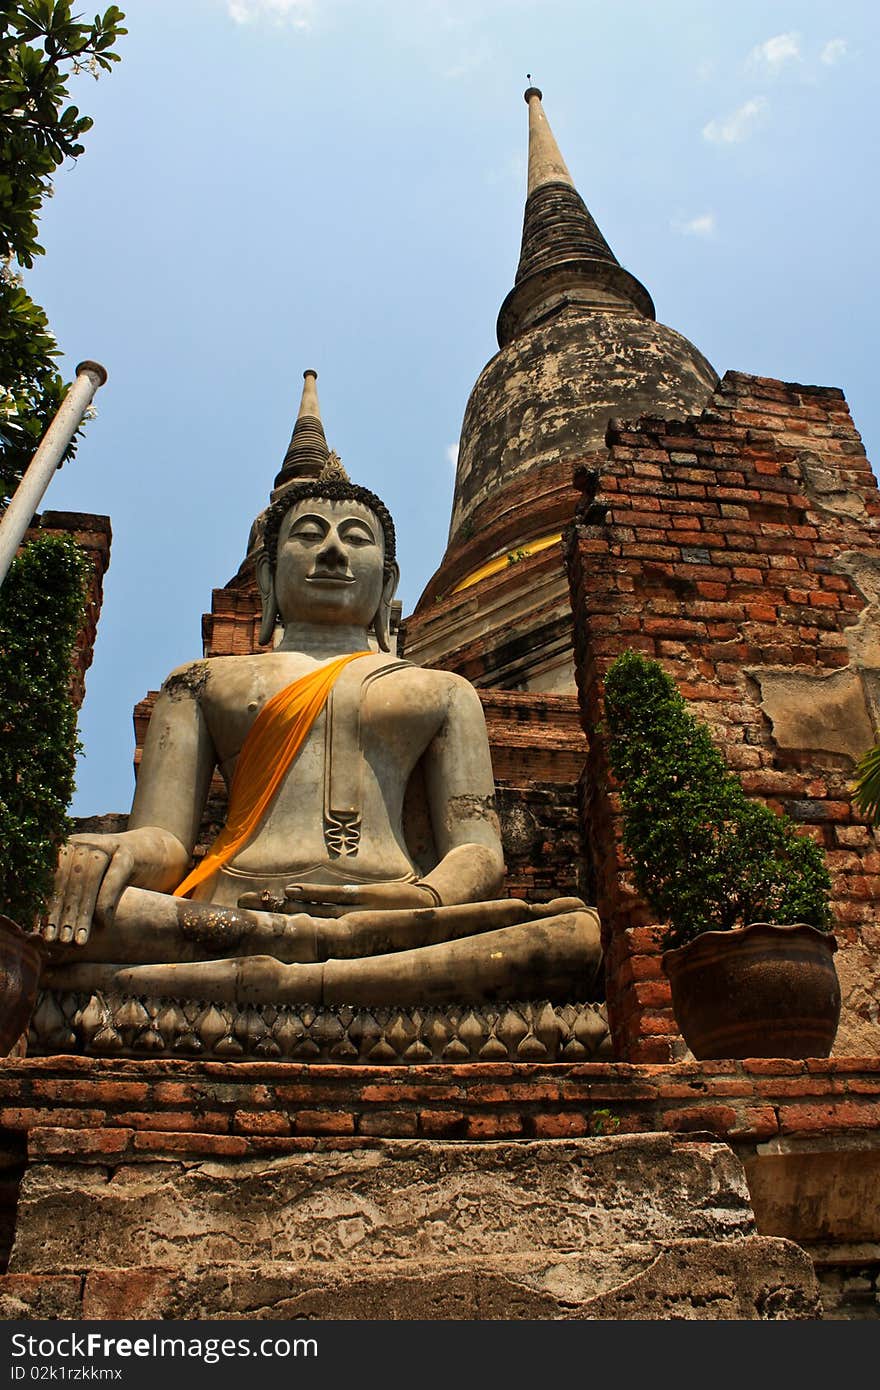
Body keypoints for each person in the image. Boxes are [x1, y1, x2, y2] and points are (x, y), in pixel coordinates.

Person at [39, 469, 601, 1008]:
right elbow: (164, 842)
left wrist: (423, 898)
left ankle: (272, 983)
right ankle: (326, 976)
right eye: (308, 535)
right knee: (69, 911)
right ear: (266, 576)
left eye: (355, 539)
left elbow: (476, 852)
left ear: (388, 581)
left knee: (574, 936)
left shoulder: (445, 692)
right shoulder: (200, 684)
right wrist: (111, 852)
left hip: (400, 922)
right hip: (237, 915)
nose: (332, 552)